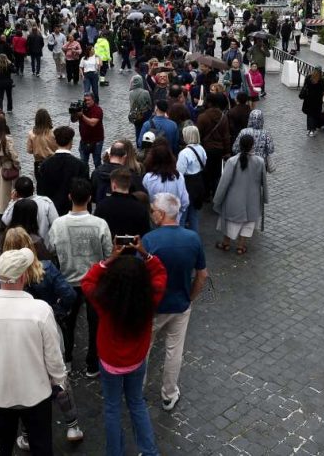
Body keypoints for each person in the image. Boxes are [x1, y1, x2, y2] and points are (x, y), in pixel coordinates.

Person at [0, 249, 67, 456]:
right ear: (23, 277)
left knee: (1, 447)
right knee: (42, 447)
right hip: (37, 394)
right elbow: (53, 356)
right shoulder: (41, 310)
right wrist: (59, 381)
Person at [81, 241, 166, 456]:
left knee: (112, 408)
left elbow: (87, 280)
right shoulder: (150, 297)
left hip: (110, 362)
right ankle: (149, 451)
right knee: (137, 403)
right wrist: (145, 253)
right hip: (136, 360)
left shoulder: (103, 300)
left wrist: (110, 259)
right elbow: (160, 273)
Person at [143, 193, 208, 412]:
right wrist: (190, 297)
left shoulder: (149, 240)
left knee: (144, 349)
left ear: (161, 214)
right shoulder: (193, 239)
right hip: (180, 305)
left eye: (153, 210)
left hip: (153, 307)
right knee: (174, 351)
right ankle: (169, 394)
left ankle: (137, 389)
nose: (151, 213)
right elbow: (202, 275)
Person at [47, 179, 112, 377]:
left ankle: (67, 360)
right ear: (90, 198)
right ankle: (92, 364)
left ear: (69, 197)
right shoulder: (100, 224)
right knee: (95, 324)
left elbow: (50, 249)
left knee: (68, 323)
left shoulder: (58, 224)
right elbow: (109, 253)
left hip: (68, 281)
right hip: (95, 281)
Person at [214, 135, 268, 256]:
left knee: (229, 222)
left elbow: (224, 182)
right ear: (252, 145)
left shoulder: (232, 161)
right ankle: (240, 246)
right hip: (253, 199)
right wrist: (265, 198)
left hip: (234, 200)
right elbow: (263, 182)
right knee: (248, 223)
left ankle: (226, 243)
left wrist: (217, 199)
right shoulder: (260, 161)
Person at [36, 126, 90, 216]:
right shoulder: (81, 165)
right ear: (71, 142)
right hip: (72, 211)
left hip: (50, 210)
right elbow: (85, 191)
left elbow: (41, 192)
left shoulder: (45, 165)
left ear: (56, 141)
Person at [94, 167, 151, 238]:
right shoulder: (140, 208)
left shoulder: (102, 207)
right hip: (133, 244)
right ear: (129, 184)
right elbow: (145, 233)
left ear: (114, 185)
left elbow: (97, 232)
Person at [0, 177, 58, 245]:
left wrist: (12, 201)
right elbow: (55, 222)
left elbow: (5, 220)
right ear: (33, 189)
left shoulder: (16, 204)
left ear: (16, 193)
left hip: (21, 245)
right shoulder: (46, 202)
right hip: (44, 244)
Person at [196, 93, 231, 196]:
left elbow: (198, 134)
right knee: (217, 173)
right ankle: (216, 193)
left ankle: (206, 193)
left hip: (205, 149)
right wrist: (227, 152)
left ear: (209, 103)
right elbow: (226, 136)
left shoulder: (202, 117)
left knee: (206, 173)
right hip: (219, 150)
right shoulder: (223, 117)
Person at [175, 126, 208, 232]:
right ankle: (194, 236)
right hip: (199, 182)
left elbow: (179, 172)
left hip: (187, 184)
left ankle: (181, 237)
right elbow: (204, 163)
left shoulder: (184, 153)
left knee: (182, 215)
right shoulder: (201, 149)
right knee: (194, 215)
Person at [71, 92, 105, 171]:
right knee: (83, 163)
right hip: (84, 141)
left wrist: (82, 115)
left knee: (97, 162)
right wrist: (74, 113)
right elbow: (73, 120)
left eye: (88, 100)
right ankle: (85, 177)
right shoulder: (81, 108)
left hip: (97, 141)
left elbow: (92, 123)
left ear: (93, 100)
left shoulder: (98, 110)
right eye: (85, 100)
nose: (86, 102)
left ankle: (97, 176)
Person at [26, 109, 56, 178]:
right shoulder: (53, 133)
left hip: (39, 163)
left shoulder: (31, 134)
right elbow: (57, 148)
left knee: (40, 183)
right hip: (52, 162)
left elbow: (29, 150)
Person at [299, 67, 324, 136]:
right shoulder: (321, 80)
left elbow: (305, 86)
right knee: (315, 115)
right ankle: (313, 130)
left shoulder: (308, 78)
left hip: (308, 100)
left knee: (309, 115)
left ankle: (309, 130)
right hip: (317, 101)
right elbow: (323, 89)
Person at [128, 74, 153, 144]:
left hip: (135, 114)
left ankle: (138, 143)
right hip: (145, 113)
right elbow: (150, 103)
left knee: (138, 129)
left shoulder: (130, 93)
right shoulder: (145, 92)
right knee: (146, 128)